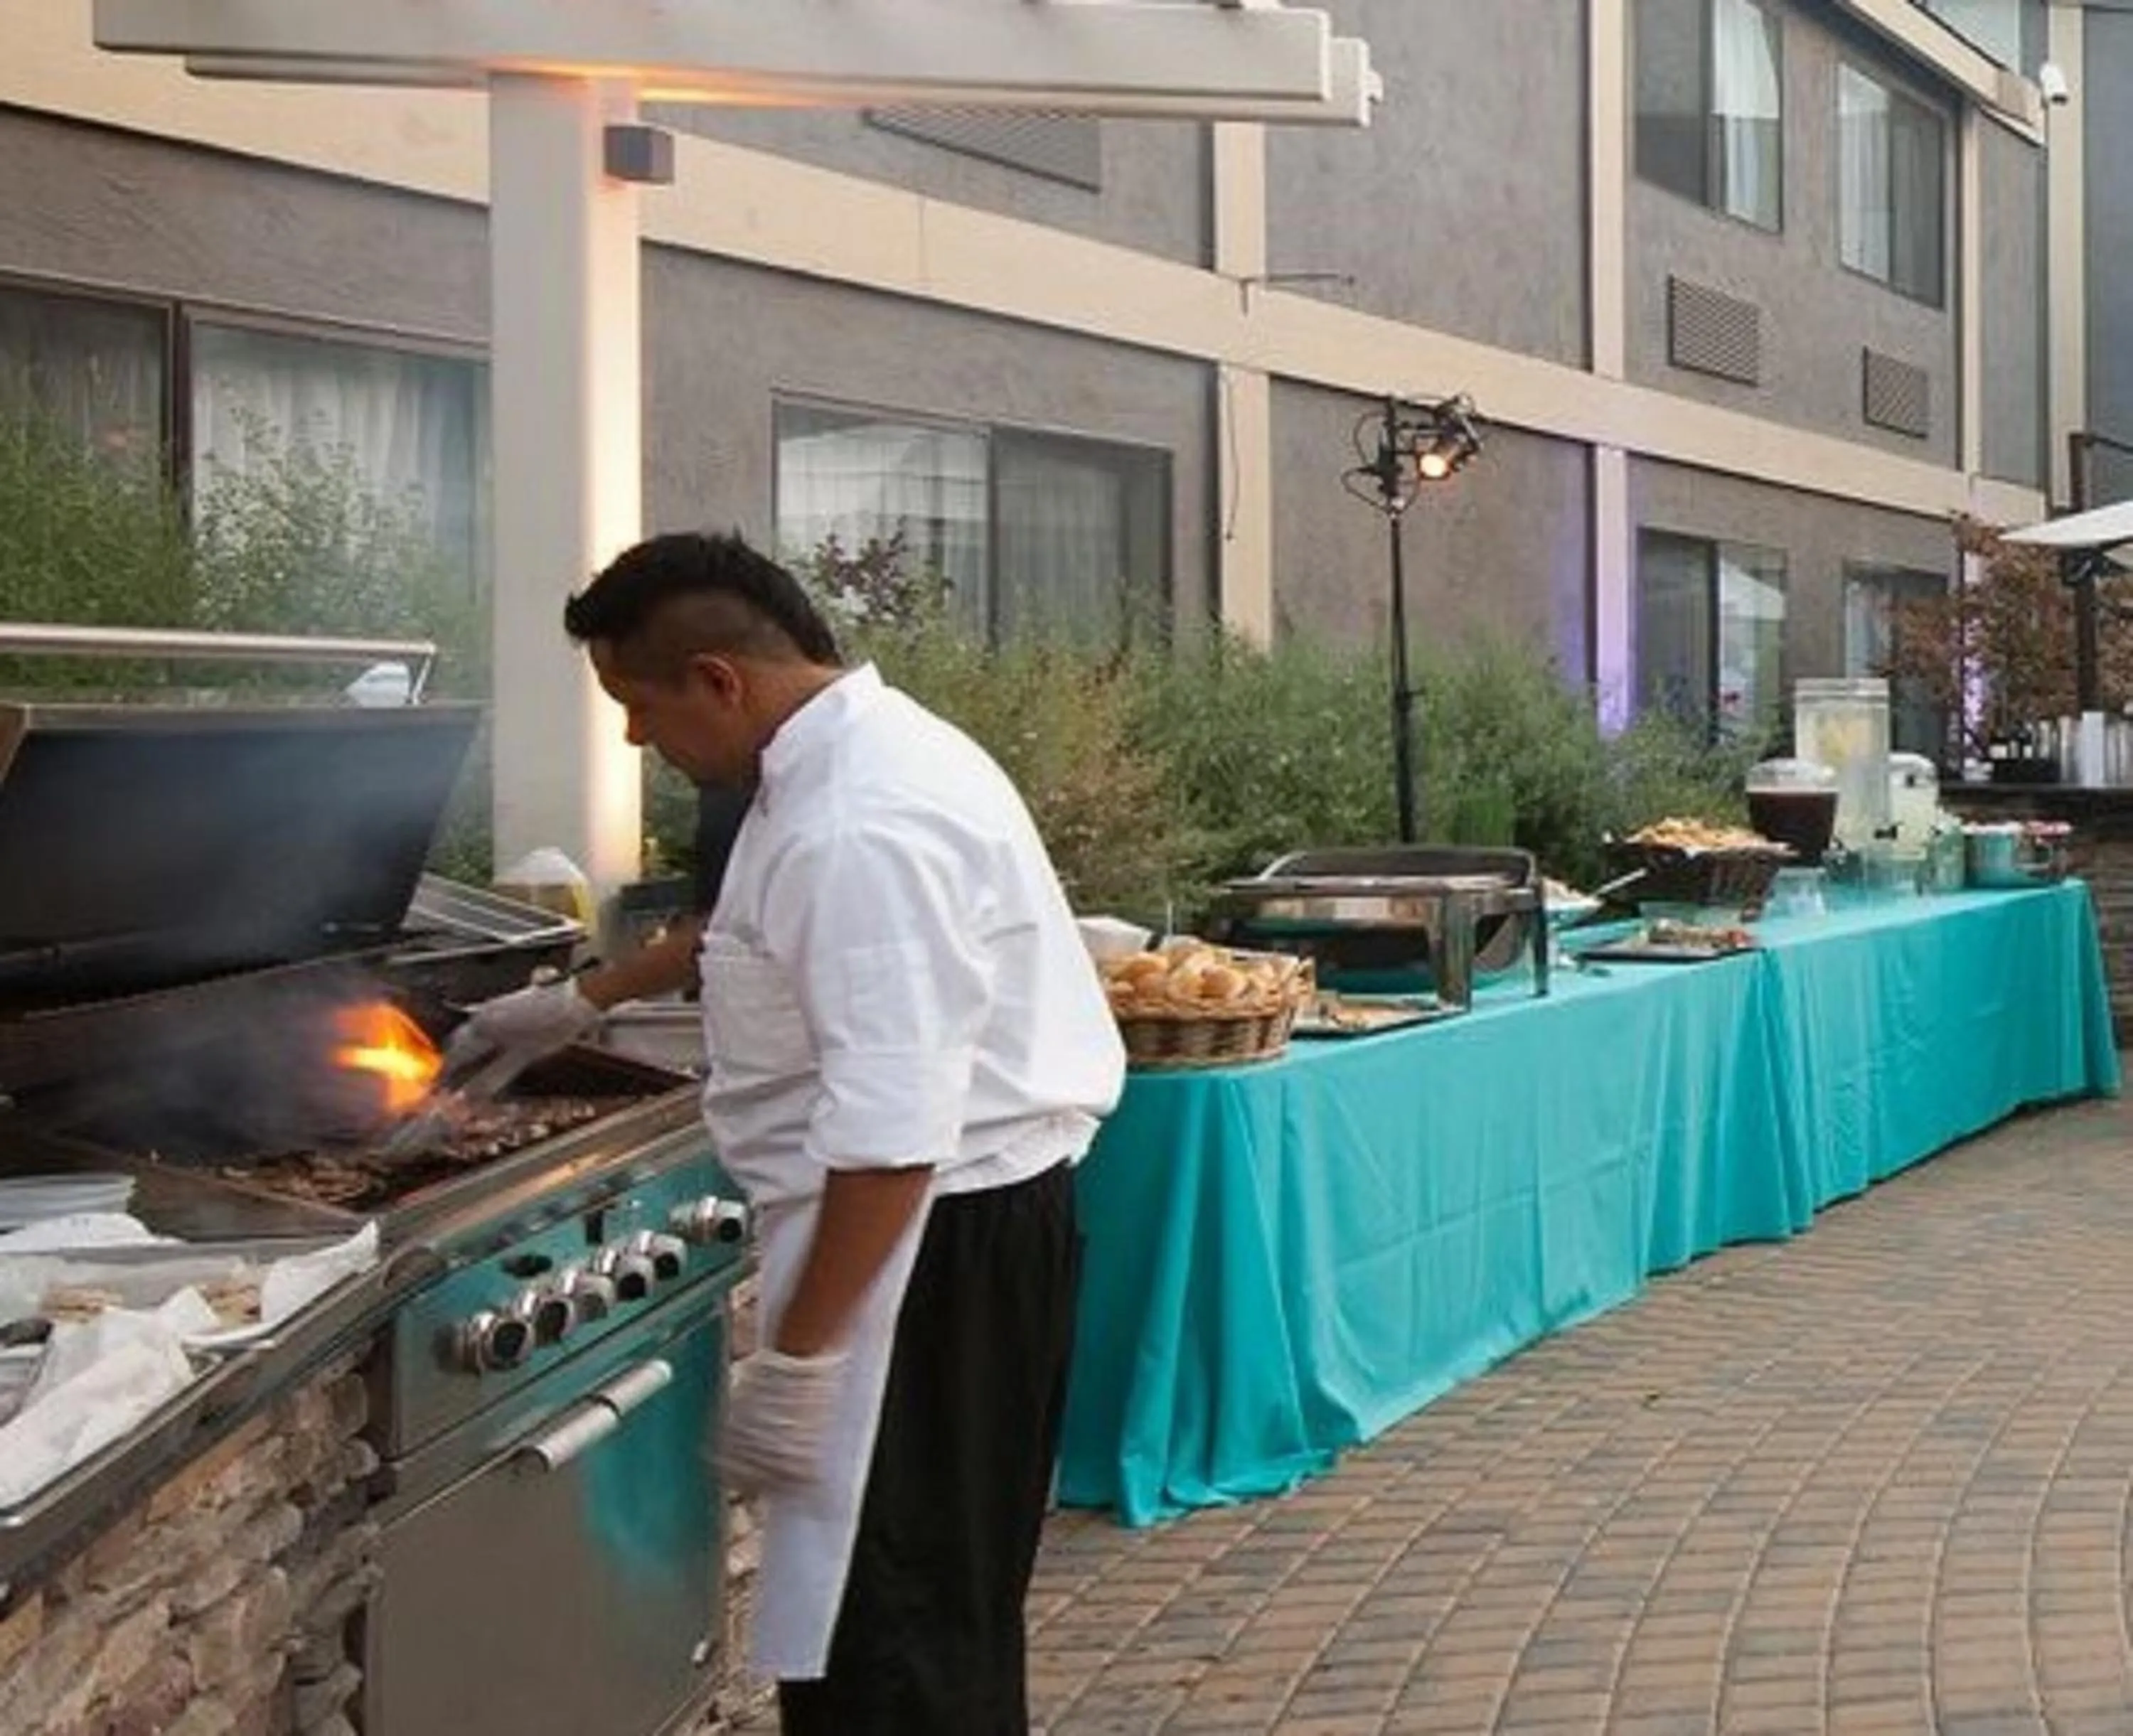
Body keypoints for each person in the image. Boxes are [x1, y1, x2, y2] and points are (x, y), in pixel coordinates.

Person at [466, 529, 1125, 1734]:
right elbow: (742, 931)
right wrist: (580, 999)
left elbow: (893, 1137)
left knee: (902, 1638)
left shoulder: (861, 822)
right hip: (943, 1228)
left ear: (720, 679)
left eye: (635, 704)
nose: (632, 739)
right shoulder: (840, 761)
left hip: (930, 1244)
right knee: (915, 1617)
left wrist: (804, 1358)